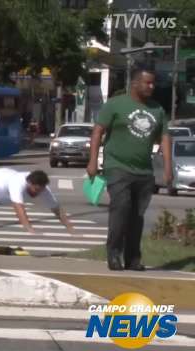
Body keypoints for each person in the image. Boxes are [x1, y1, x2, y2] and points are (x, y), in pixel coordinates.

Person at [87, 67, 172, 271]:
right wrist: (92, 162)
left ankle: (133, 258)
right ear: (135, 83)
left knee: (137, 216)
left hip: (144, 171)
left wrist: (168, 167)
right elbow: (98, 132)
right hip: (117, 166)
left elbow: (164, 137)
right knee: (121, 209)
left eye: (153, 83)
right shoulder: (116, 105)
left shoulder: (157, 109)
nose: (151, 87)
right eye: (147, 83)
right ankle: (113, 255)